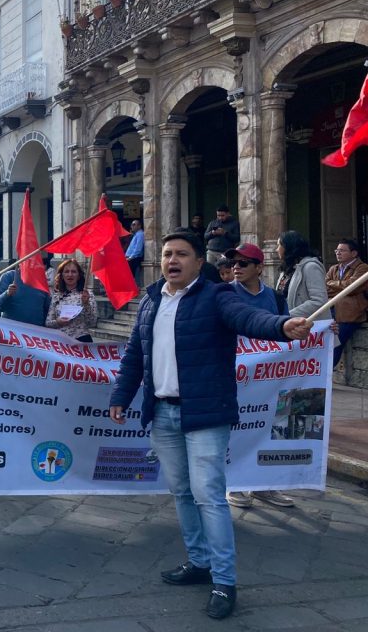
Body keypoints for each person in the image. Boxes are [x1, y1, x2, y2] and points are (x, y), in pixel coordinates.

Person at [109, 229, 311, 620]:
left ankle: (224, 580)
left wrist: (281, 326)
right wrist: (121, 395)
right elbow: (136, 353)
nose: (172, 260)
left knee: (210, 497)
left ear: (199, 262)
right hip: (162, 413)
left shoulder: (217, 295)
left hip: (205, 415)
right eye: (167, 253)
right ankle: (199, 563)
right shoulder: (151, 300)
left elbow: (248, 317)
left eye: (182, 254)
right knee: (182, 493)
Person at [222, 244, 294, 510]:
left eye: (243, 263)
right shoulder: (225, 294)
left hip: (269, 377)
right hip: (234, 374)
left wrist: (322, 331)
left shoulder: (274, 299)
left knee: (269, 427)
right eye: (233, 263)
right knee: (237, 429)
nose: (236, 268)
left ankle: (264, 484)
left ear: (259, 268)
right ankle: (236, 483)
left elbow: (287, 331)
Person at [326, 239, 368, 368]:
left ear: (354, 253)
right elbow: (325, 287)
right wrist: (341, 287)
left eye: (342, 250)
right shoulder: (334, 268)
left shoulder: (363, 268)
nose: (338, 253)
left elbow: (353, 287)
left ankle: (325, 376)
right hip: (332, 312)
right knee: (325, 344)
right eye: (336, 250)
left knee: (335, 344)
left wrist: (333, 284)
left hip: (350, 315)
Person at [275, 231, 327, 318]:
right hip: (289, 323)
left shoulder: (311, 267)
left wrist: (288, 315)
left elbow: (319, 301)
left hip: (308, 325)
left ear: (288, 246)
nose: (277, 249)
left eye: (279, 245)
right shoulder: (287, 268)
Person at [45, 259, 98, 341]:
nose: (70, 274)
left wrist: (86, 304)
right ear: (62, 275)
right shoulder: (56, 296)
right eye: (66, 271)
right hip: (61, 342)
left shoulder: (88, 294)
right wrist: (58, 322)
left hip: (81, 341)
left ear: (79, 275)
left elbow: (92, 322)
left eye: (73, 271)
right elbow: (48, 323)